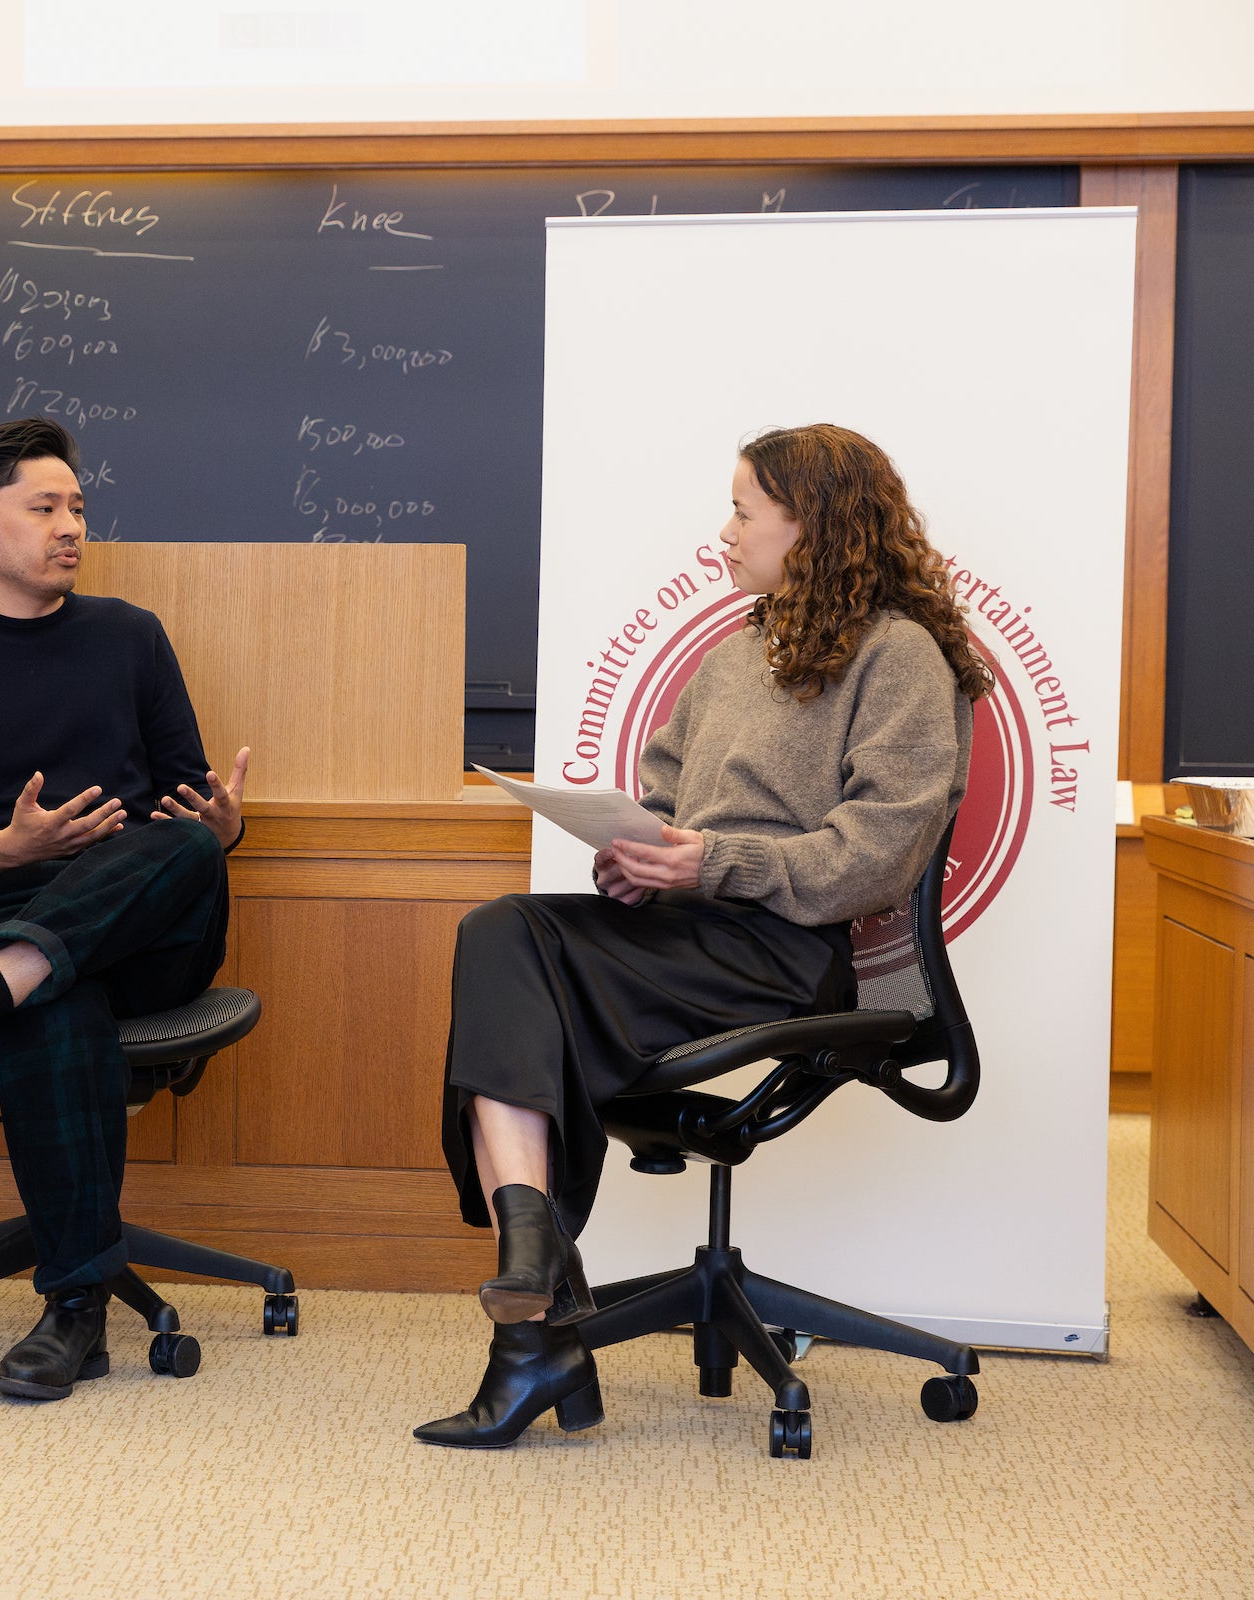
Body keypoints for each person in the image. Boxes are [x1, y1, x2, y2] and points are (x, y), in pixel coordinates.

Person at [414, 423, 991, 1449]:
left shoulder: (900, 655)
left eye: (742, 510)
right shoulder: (733, 656)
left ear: (811, 525)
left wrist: (708, 863)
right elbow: (665, 803)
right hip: (683, 933)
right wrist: (634, 860)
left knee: (524, 975)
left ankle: (537, 1332)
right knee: (500, 931)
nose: (724, 533)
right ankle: (534, 1272)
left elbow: (877, 856)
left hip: (782, 950)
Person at [0, 418, 251, 1402]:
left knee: (187, 845)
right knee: (52, 998)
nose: (71, 525)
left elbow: (184, 805)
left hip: (142, 920)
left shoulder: (131, 636)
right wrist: (8, 848)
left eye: (77, 506)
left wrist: (224, 823)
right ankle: (77, 1305)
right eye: (44, 507)